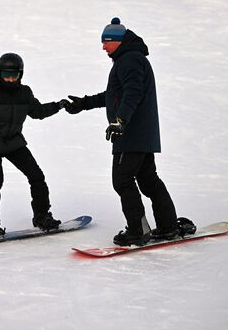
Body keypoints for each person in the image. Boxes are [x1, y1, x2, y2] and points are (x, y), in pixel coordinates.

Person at [65, 18, 195, 246]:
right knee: (148, 180)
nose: (103, 47)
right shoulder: (129, 59)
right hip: (141, 134)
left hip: (132, 135)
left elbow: (132, 93)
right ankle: (168, 226)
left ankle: (138, 230)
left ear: (116, 41)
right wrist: (83, 104)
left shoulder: (130, 60)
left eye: (106, 42)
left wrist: (120, 121)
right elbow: (115, 95)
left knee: (122, 179)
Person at [0, 53, 69, 238]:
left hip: (13, 141)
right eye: (6, 75)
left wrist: (57, 105)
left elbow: (37, 112)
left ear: (21, 74)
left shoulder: (24, 92)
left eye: (14, 75)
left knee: (36, 176)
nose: (10, 79)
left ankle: (42, 216)